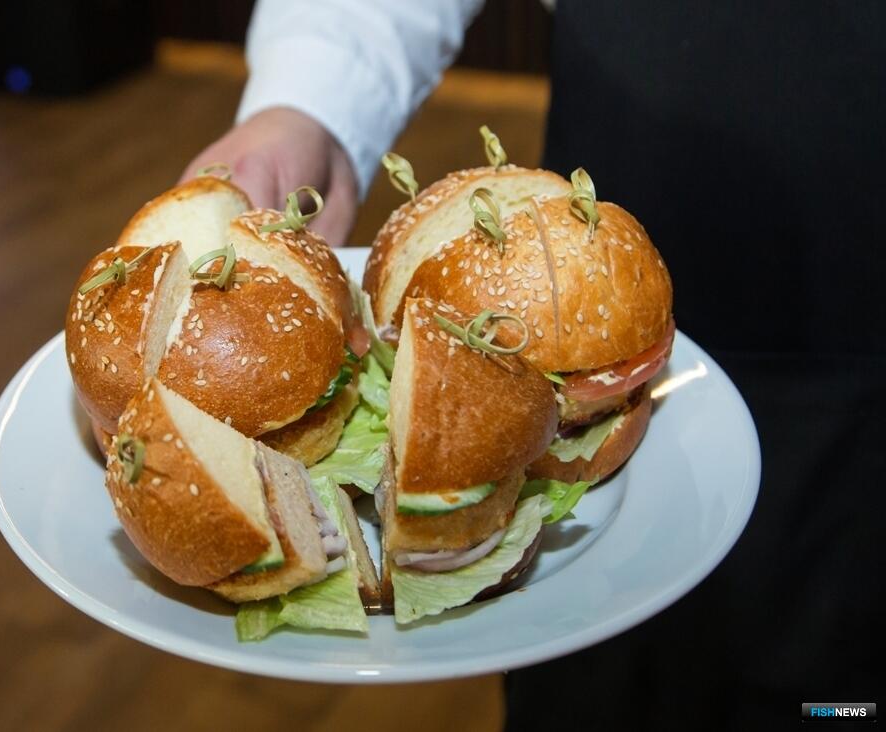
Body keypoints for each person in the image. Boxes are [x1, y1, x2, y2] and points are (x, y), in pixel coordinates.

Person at [183, 1, 885, 728]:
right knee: (580, 694)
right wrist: (308, 101)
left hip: (857, 326)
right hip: (624, 140)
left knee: (817, 670)